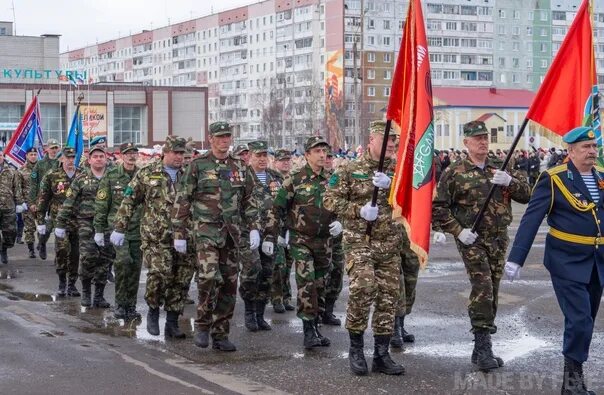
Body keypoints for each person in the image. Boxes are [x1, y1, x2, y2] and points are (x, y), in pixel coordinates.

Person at [506, 126, 603, 394]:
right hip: (567, 261)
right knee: (580, 320)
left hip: (597, 261)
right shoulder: (554, 178)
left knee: (587, 320)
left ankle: (571, 383)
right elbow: (531, 218)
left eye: (594, 147)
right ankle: (572, 385)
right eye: (586, 147)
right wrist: (517, 258)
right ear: (571, 151)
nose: (592, 152)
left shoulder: (602, 178)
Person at [432, 120, 531, 372]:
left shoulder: (502, 166)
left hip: (498, 238)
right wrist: (457, 231)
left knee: (493, 289)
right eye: (477, 139)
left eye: (485, 137)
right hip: (471, 239)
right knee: (483, 286)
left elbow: (528, 194)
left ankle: (480, 348)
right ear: (466, 143)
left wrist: (510, 181)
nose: (483, 142)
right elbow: (438, 208)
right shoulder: (454, 172)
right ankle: (484, 345)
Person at [324, 121, 404, 376]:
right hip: (360, 240)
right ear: (372, 140)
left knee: (389, 296)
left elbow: (415, 199)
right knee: (363, 287)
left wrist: (393, 184)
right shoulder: (350, 168)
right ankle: (356, 349)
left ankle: (381, 354)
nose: (392, 144)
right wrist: (357, 210)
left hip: (389, 243)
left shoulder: (400, 172)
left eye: (394, 141)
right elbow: (329, 199)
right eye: (387, 140)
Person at [172, 122, 259, 351]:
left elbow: (250, 200)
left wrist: (254, 228)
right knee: (209, 277)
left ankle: (220, 333)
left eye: (227, 136)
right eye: (220, 137)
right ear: (211, 139)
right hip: (206, 232)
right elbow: (183, 200)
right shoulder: (198, 165)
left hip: (232, 235)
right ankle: (202, 325)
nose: (224, 140)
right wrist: (179, 233)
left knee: (230, 284)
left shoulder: (240, 166)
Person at [112, 136, 194, 339]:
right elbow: (129, 200)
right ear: (165, 152)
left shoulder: (190, 175)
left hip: (184, 236)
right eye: (175, 152)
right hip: (156, 236)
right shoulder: (148, 173)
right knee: (160, 273)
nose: (179, 157)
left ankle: (173, 321)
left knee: (181, 277)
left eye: (182, 153)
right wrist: (120, 227)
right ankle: (153, 311)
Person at [267, 136, 341, 350]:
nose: (321, 155)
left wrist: (341, 222)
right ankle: (308, 331)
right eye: (316, 151)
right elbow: (277, 208)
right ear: (307, 155)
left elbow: (341, 204)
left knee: (320, 285)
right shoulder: (295, 178)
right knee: (306, 283)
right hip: (301, 240)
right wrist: (273, 235)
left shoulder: (332, 180)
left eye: (324, 151)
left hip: (325, 242)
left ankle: (316, 327)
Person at [56, 145, 112, 307]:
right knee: (88, 258)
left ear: (106, 159)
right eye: (95, 157)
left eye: (101, 156)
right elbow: (69, 202)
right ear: (89, 160)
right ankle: (86, 292)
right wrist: (60, 224)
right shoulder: (81, 179)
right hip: (86, 223)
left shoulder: (113, 177)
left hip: (107, 224)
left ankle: (99, 296)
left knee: (104, 259)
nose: (99, 159)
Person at [94, 142, 143, 320]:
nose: (131, 156)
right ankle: (120, 304)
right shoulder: (112, 175)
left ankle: (131, 306)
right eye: (128, 153)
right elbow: (102, 204)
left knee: (135, 267)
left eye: (134, 153)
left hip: (138, 229)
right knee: (123, 263)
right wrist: (99, 230)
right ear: (121, 156)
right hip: (118, 230)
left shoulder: (142, 175)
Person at [238, 140, 280, 332]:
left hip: (270, 234)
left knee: (267, 273)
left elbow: (282, 206)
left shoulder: (275, 177)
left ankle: (260, 314)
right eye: (258, 156)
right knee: (251, 270)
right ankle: (249, 312)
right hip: (248, 233)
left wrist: (282, 231)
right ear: (249, 157)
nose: (262, 159)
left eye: (265, 155)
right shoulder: (240, 177)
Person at [36, 147, 80, 296]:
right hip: (60, 220)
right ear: (61, 159)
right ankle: (62, 281)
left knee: (75, 253)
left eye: (73, 157)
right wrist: (40, 220)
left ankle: (72, 284)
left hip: (78, 220)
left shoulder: (81, 174)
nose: (70, 160)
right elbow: (43, 198)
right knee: (61, 250)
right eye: (67, 158)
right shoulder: (52, 175)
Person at [270, 148, 295, 313]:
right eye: (282, 160)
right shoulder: (271, 179)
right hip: (276, 228)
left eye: (288, 160)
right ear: (275, 162)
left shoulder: (294, 179)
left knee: (288, 264)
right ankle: (277, 299)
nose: (285, 163)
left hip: (291, 228)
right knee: (279, 266)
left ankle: (286, 297)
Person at [321, 150, 344, 326]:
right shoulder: (306, 177)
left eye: (330, 157)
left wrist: (342, 222)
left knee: (336, 272)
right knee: (319, 276)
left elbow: (347, 202)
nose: (327, 160)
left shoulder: (339, 178)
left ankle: (328, 310)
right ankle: (316, 313)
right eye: (324, 156)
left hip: (336, 235)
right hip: (317, 235)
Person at [29, 138, 61, 260]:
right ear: (47, 149)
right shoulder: (40, 164)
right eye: (52, 148)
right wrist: (32, 202)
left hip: (57, 201)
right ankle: (42, 243)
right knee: (44, 229)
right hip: (42, 201)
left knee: (57, 227)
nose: (54, 150)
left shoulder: (60, 163)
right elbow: (33, 184)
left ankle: (59, 257)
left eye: (56, 148)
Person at [0, 150, 25, 264]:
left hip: (8, 206)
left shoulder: (11, 170)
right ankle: (1, 252)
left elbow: (17, 188)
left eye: (0, 155)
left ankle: (5, 247)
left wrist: (19, 203)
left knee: (10, 232)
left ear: (3, 157)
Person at [18, 147, 38, 258]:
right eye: (31, 154)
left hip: (41, 203)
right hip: (28, 203)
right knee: (29, 228)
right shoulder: (21, 170)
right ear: (26, 156)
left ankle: (42, 244)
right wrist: (21, 203)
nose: (33, 156)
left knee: (43, 227)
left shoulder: (42, 168)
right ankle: (31, 249)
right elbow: (18, 188)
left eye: (35, 154)